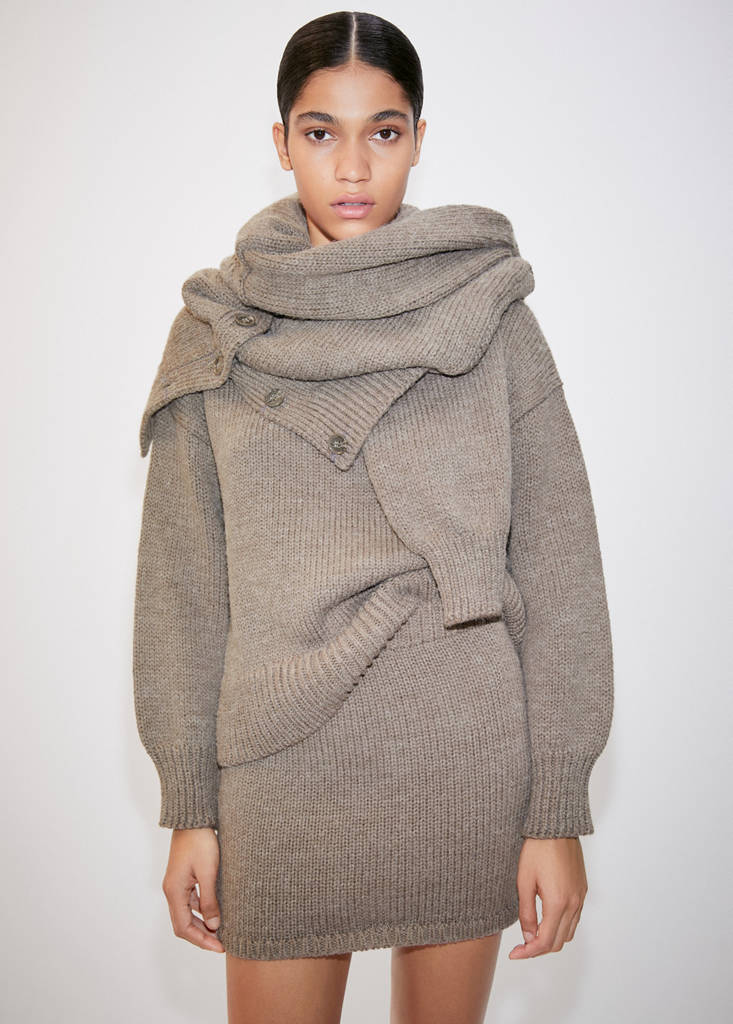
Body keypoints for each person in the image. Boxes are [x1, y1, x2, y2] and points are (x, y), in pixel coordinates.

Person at [132, 10, 614, 1023]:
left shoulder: (490, 315)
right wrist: (189, 805)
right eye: (321, 132)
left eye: (382, 132)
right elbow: (184, 590)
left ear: (419, 139)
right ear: (280, 143)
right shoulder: (217, 331)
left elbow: (561, 564)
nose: (352, 166)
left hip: (462, 748)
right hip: (279, 763)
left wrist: (556, 807)